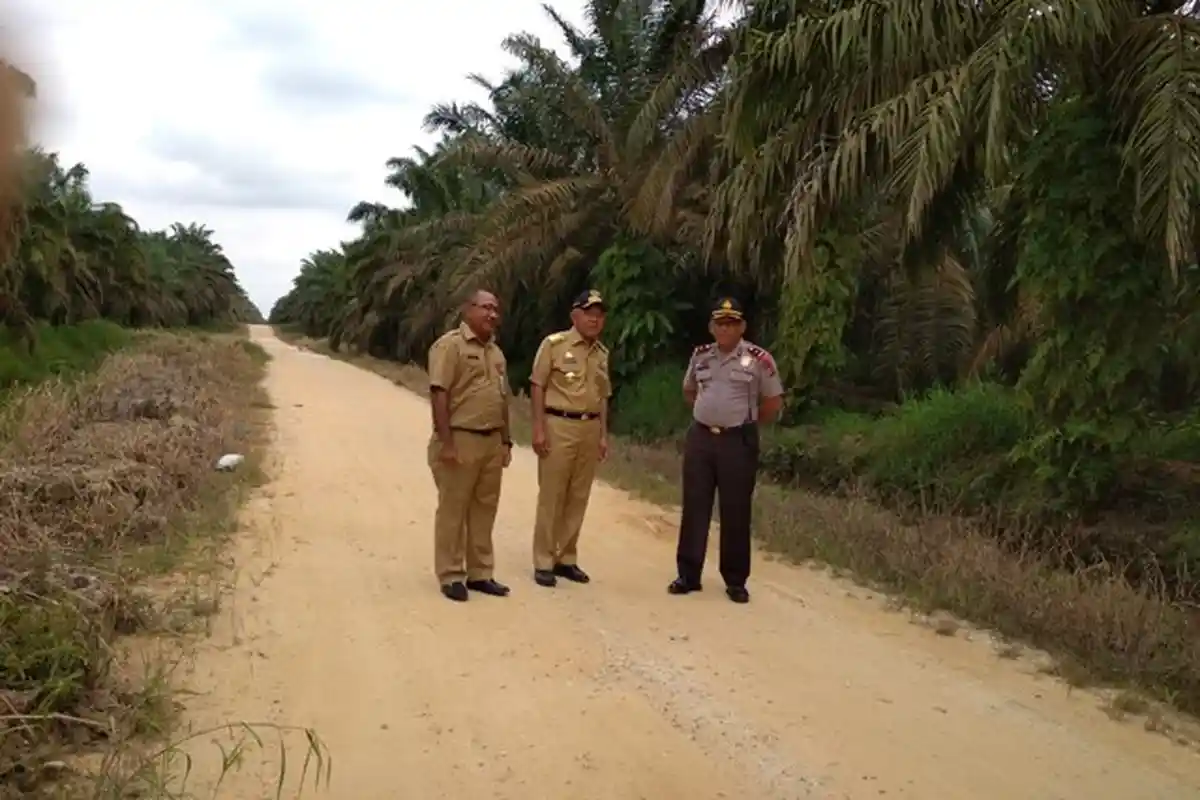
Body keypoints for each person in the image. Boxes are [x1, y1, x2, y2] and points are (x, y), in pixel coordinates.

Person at [668, 297, 784, 604]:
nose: (725, 329)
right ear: (711, 327)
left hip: (737, 441)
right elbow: (689, 390)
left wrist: (745, 422)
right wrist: (708, 413)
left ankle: (735, 580)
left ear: (742, 327)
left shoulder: (759, 359)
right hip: (701, 438)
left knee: (736, 509)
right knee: (695, 505)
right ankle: (688, 574)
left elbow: (773, 401)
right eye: (720, 324)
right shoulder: (700, 356)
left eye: (731, 324)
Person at [426, 289, 514, 602]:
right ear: (468, 310)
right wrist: (446, 442)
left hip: (491, 441)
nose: (492, 314)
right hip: (460, 437)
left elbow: (502, 398)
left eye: (495, 309)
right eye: (486, 308)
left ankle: (480, 573)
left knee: (484, 509)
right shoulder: (450, 346)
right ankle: (451, 574)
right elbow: (439, 394)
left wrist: (506, 440)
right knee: (454, 509)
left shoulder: (496, 353)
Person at [529, 289, 612, 587]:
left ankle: (566, 557)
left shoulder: (601, 353)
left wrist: (603, 435)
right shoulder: (554, 345)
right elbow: (537, 385)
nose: (594, 319)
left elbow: (603, 396)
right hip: (559, 424)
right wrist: (538, 428)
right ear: (574, 315)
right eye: (589, 313)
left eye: (599, 314)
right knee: (552, 494)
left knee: (578, 496)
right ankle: (543, 560)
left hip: (589, 427)